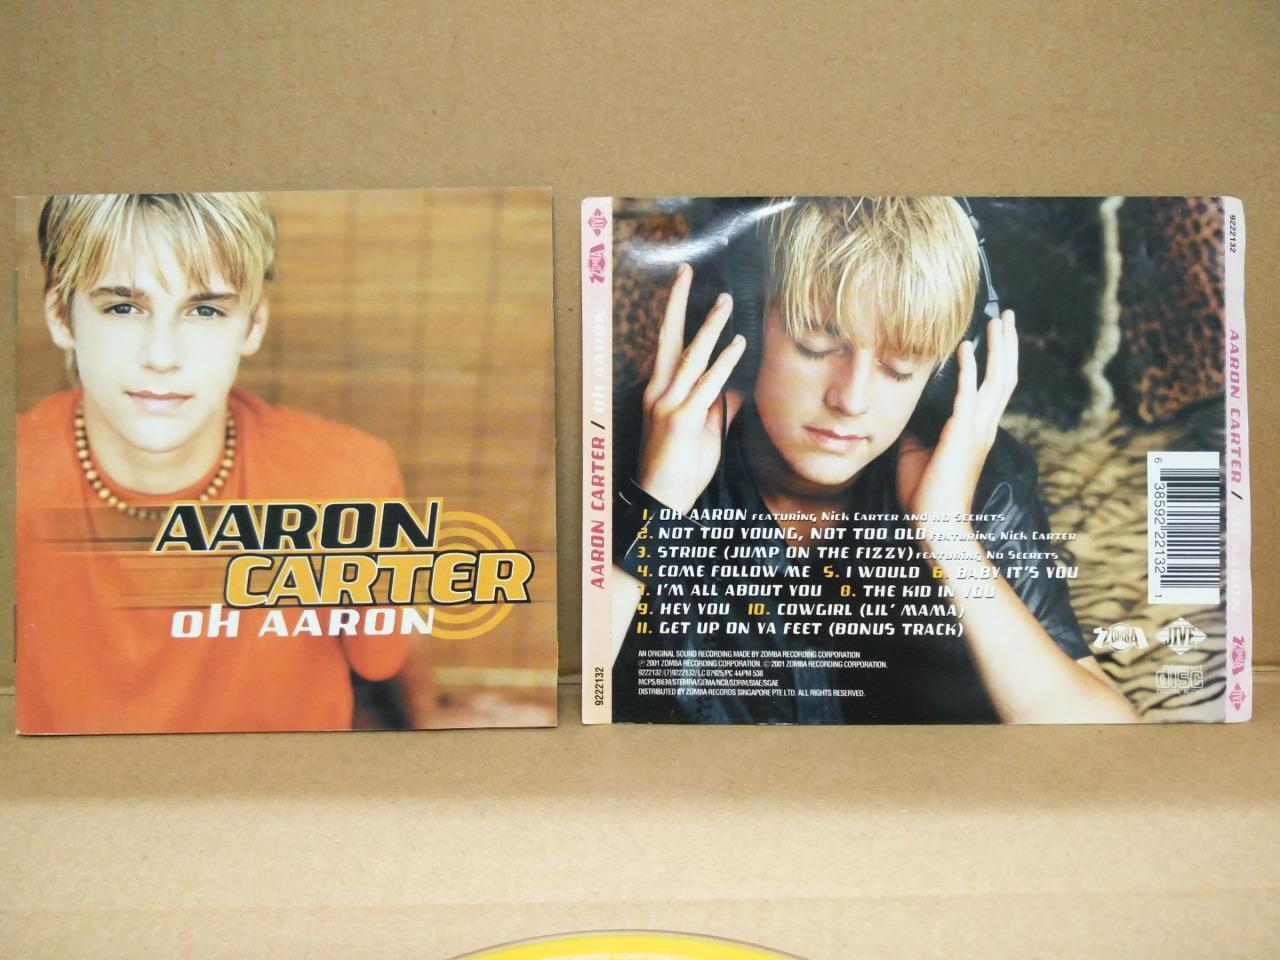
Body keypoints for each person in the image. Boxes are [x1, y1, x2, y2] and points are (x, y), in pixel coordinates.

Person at [611, 197, 1136, 724]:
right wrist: (656, 506)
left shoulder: (979, 478)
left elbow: (1107, 744)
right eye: (815, 346)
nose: (851, 399)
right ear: (749, 326)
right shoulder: (643, 443)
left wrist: (948, 536)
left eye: (899, 368)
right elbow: (568, 698)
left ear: (939, 376)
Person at [16, 192, 426, 734]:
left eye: (205, 310)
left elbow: (386, 660)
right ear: (60, 315)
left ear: (253, 322)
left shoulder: (349, 479)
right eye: (122, 307)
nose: (161, 356)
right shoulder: (19, 480)